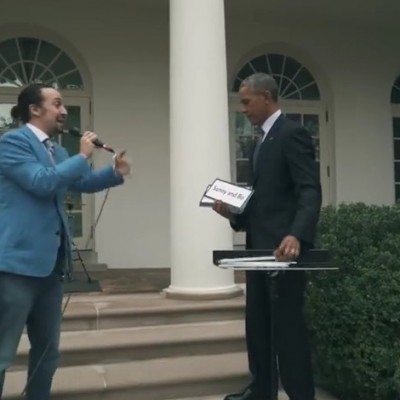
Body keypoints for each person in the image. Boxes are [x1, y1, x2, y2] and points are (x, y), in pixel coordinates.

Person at [0, 83, 131, 400]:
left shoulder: (57, 151)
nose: (63, 111)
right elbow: (40, 182)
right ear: (34, 109)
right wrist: (82, 155)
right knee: (3, 353)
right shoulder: (12, 143)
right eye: (57, 104)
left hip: (52, 267)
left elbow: (81, 183)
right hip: (16, 267)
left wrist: (114, 173)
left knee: (48, 352)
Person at [213, 73, 322, 400]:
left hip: (284, 253)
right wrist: (232, 214)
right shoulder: (257, 142)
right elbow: (263, 200)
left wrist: (296, 234)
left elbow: (309, 190)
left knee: (287, 331)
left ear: (266, 97)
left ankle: (300, 394)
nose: (243, 109)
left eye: (247, 102)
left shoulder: (292, 134)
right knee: (258, 326)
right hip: (257, 251)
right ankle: (261, 389)